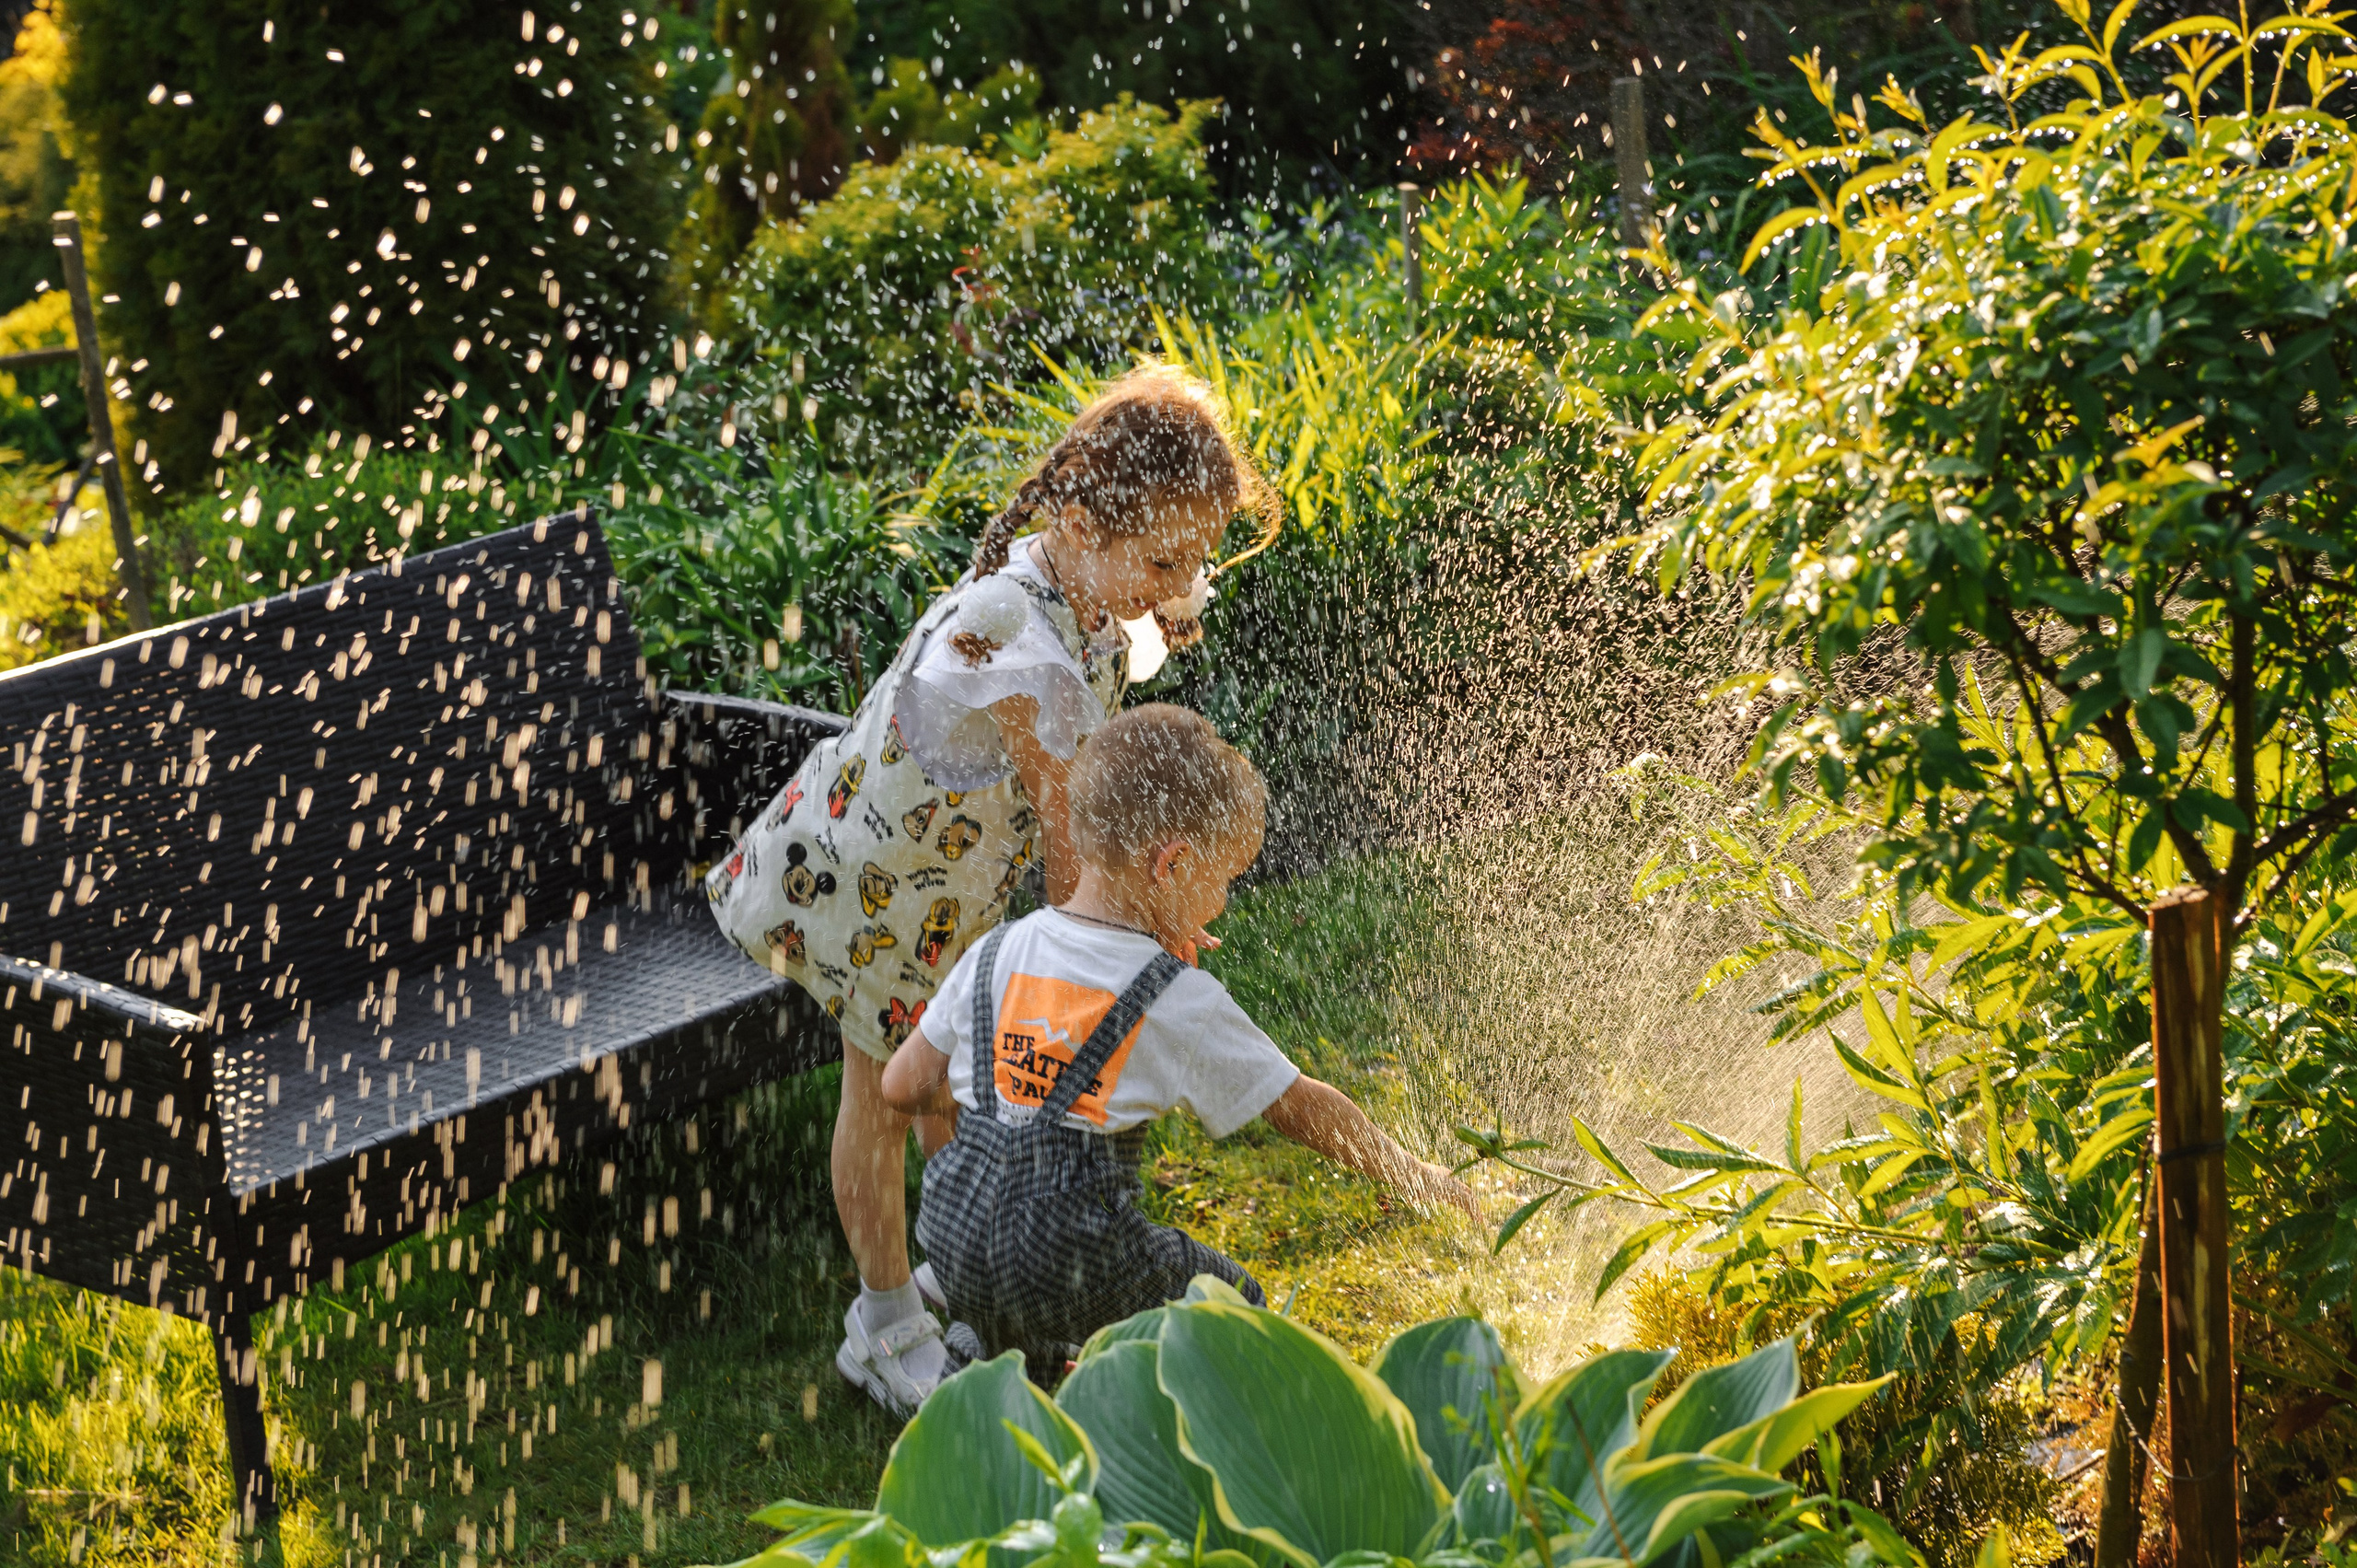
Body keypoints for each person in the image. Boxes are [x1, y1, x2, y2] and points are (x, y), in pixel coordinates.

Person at [704, 366, 1271, 1415]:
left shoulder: (1085, 590)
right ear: (1075, 521)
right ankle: (881, 1324)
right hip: (867, 886)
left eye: (1193, 557)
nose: (1177, 582)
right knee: (879, 1094)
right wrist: (1107, 947)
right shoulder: (1020, 628)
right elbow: (1071, 832)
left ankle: (965, 1283)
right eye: (1161, 559)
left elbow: (1104, 787)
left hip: (942, 888)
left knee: (953, 1081)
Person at [879, 704, 1480, 1380]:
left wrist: (1001, 1119)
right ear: (1171, 863)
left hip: (955, 1230)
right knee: (1232, 1306)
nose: (1222, 900)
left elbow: (902, 1084)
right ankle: (1174, 1429)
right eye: (1223, 879)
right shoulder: (1170, 996)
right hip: (1069, 1252)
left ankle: (990, 1366)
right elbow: (1301, 1106)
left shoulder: (1002, 949)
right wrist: (1414, 1173)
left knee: (1024, 1335)